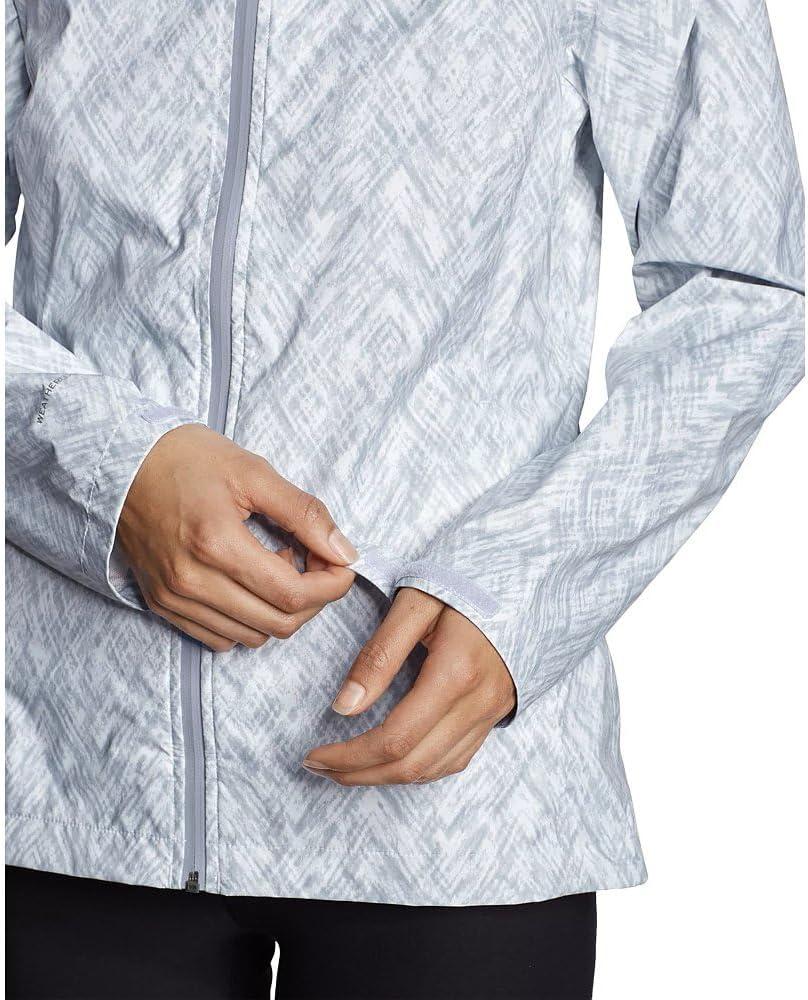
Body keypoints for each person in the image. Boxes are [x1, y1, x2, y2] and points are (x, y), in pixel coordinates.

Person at [4, 0, 803, 997]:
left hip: (455, 797)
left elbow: (743, 292)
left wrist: (521, 593)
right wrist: (109, 469)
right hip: (75, 775)